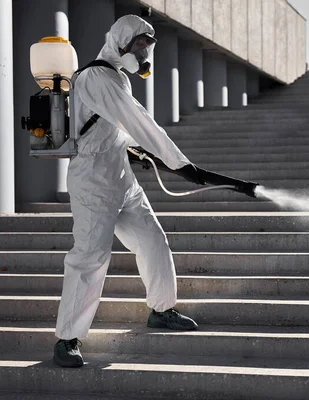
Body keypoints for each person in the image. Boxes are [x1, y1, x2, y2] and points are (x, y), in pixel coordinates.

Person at [53, 15, 201, 368]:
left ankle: (162, 310)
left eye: (149, 45)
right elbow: (137, 119)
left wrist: (133, 150)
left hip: (120, 176)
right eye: (140, 44)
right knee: (90, 257)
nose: (146, 51)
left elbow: (117, 127)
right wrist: (179, 163)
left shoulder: (116, 76)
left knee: (152, 240)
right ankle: (66, 339)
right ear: (122, 41)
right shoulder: (96, 76)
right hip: (92, 180)